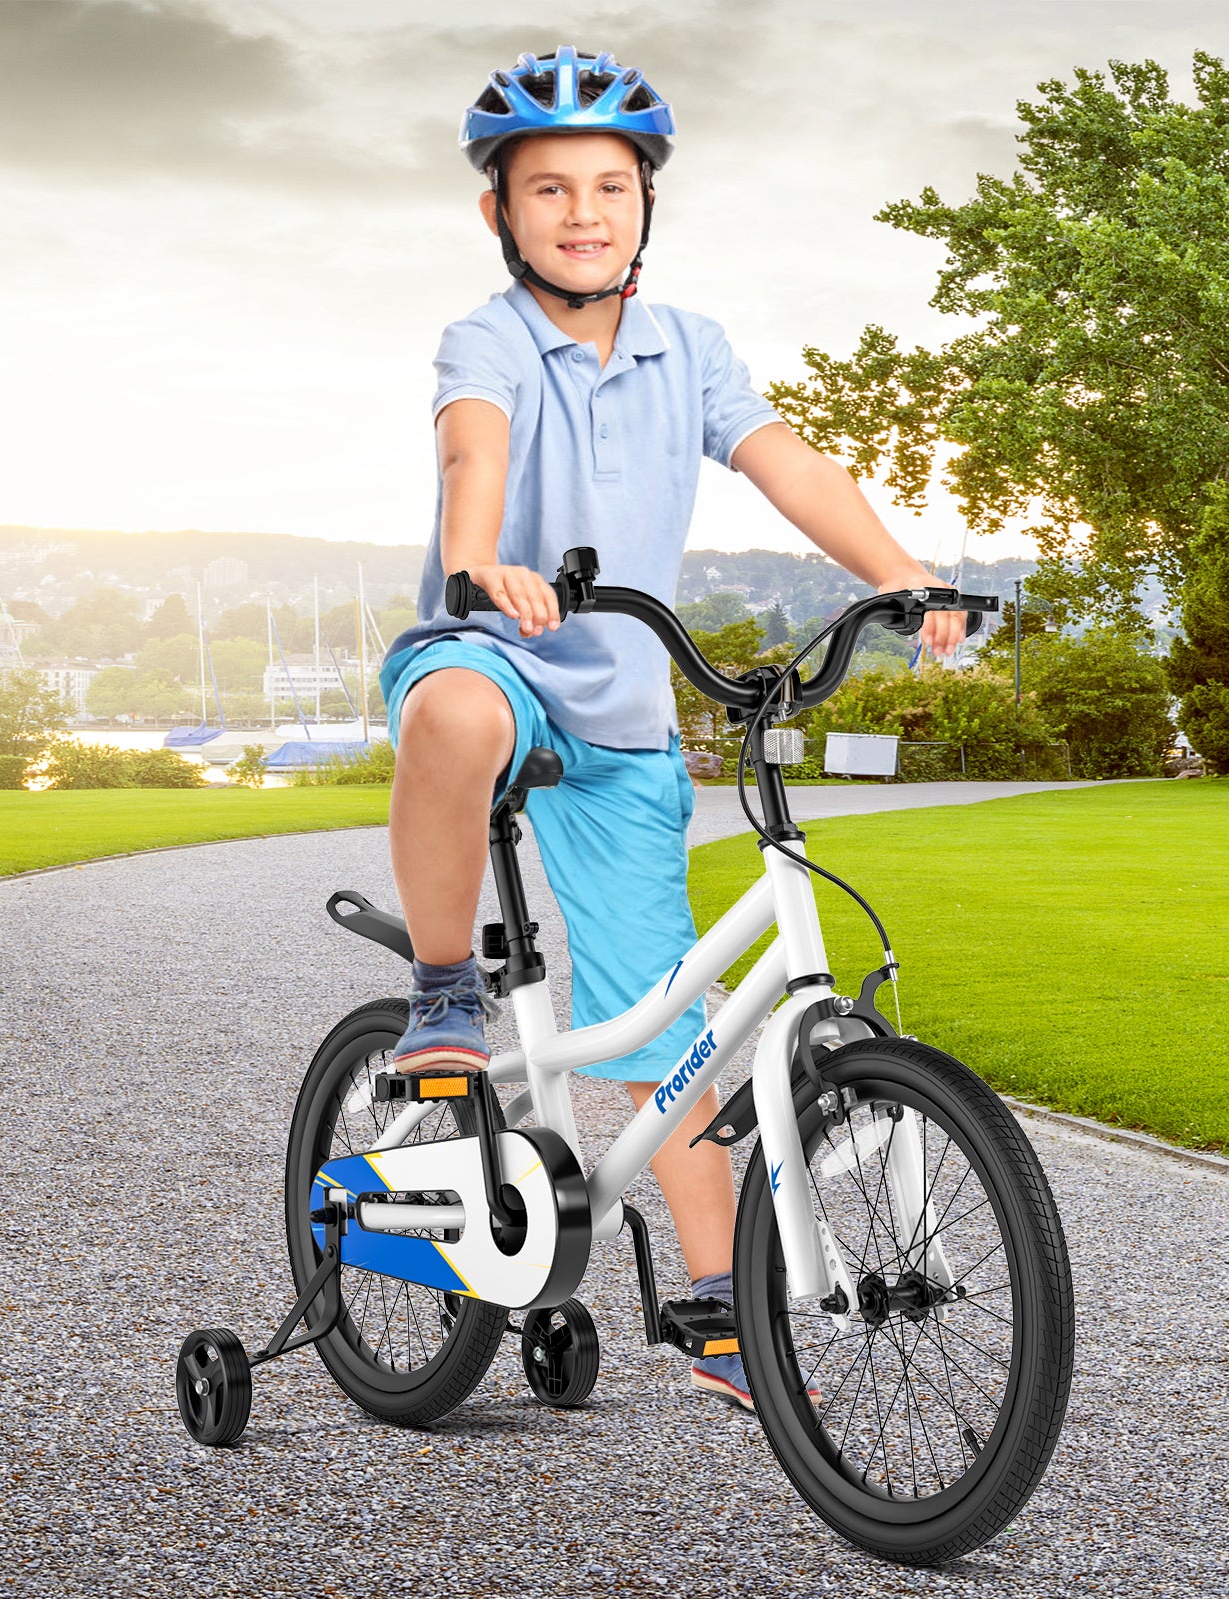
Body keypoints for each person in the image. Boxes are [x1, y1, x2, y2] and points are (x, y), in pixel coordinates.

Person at [379, 45, 964, 1409]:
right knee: (457, 708)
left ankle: (713, 1300)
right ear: (500, 215)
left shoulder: (686, 347)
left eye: (609, 186)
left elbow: (784, 458)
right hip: (496, 651)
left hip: (625, 708)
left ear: (645, 204)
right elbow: (474, 448)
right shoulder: (489, 338)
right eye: (549, 189)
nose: (583, 211)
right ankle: (443, 989)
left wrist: (894, 569)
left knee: (671, 1020)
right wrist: (479, 566)